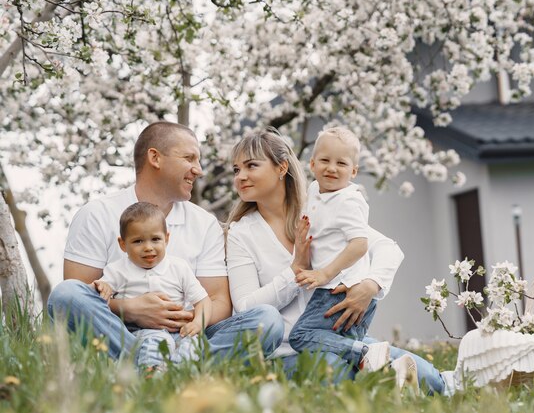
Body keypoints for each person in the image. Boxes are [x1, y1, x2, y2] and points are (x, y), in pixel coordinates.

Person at [225, 128, 447, 393]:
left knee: (426, 377)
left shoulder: (319, 207)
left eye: (251, 166)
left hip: (339, 338)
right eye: (236, 170)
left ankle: (451, 381)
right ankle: (378, 376)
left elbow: (387, 248)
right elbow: (247, 306)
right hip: (287, 351)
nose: (241, 177)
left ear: (281, 168)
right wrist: (295, 271)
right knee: (339, 372)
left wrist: (370, 285)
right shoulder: (242, 233)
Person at [48, 121, 283, 364]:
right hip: (121, 333)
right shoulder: (97, 214)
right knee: (65, 295)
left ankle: (154, 366)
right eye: (189, 158)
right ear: (155, 158)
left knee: (267, 320)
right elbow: (82, 295)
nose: (199, 170)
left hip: (187, 334)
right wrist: (129, 309)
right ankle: (170, 367)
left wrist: (176, 318)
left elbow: (219, 302)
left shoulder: (204, 223)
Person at [287, 127, 416, 386]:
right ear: (311, 164)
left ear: (354, 172)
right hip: (342, 291)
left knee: (301, 336)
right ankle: (389, 379)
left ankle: (369, 354)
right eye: (324, 160)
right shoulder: (315, 190)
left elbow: (359, 244)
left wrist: (324, 273)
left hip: (339, 289)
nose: (332, 168)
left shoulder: (348, 201)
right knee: (347, 352)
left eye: (341, 163)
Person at [92, 202, 211, 366]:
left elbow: (203, 300)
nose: (148, 247)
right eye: (138, 241)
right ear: (123, 244)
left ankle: (181, 374)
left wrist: (198, 322)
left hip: (178, 330)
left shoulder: (179, 267)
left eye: (155, 239)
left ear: (166, 239)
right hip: (138, 331)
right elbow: (98, 295)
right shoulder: (117, 270)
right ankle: (152, 373)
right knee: (158, 341)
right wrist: (103, 287)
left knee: (194, 343)